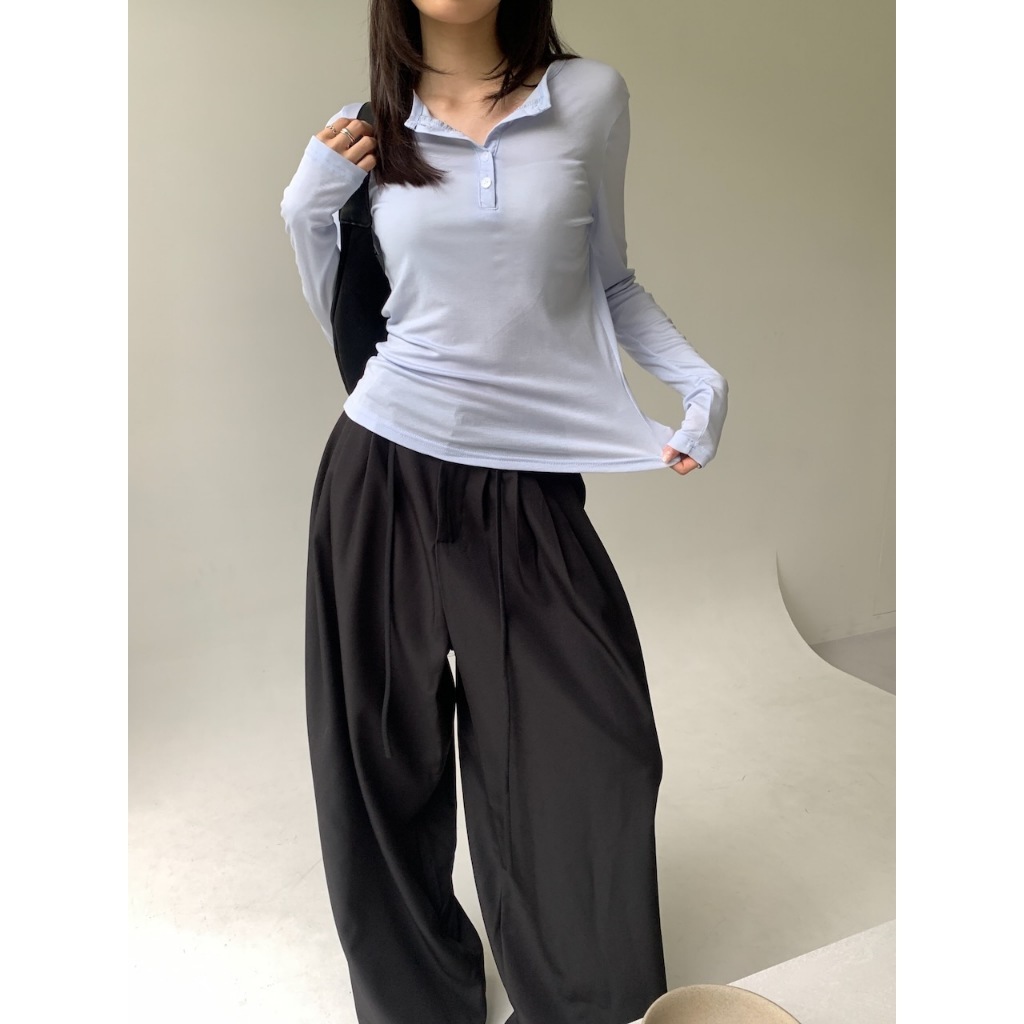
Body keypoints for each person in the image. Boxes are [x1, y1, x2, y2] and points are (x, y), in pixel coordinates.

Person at [280, 2, 728, 1022]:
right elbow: (352, 322)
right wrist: (307, 212)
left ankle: (579, 1001)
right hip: (383, 469)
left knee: (596, 747)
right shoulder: (368, 131)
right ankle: (417, 999)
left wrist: (698, 381)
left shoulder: (588, 97)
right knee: (379, 758)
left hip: (526, 479)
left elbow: (609, 278)